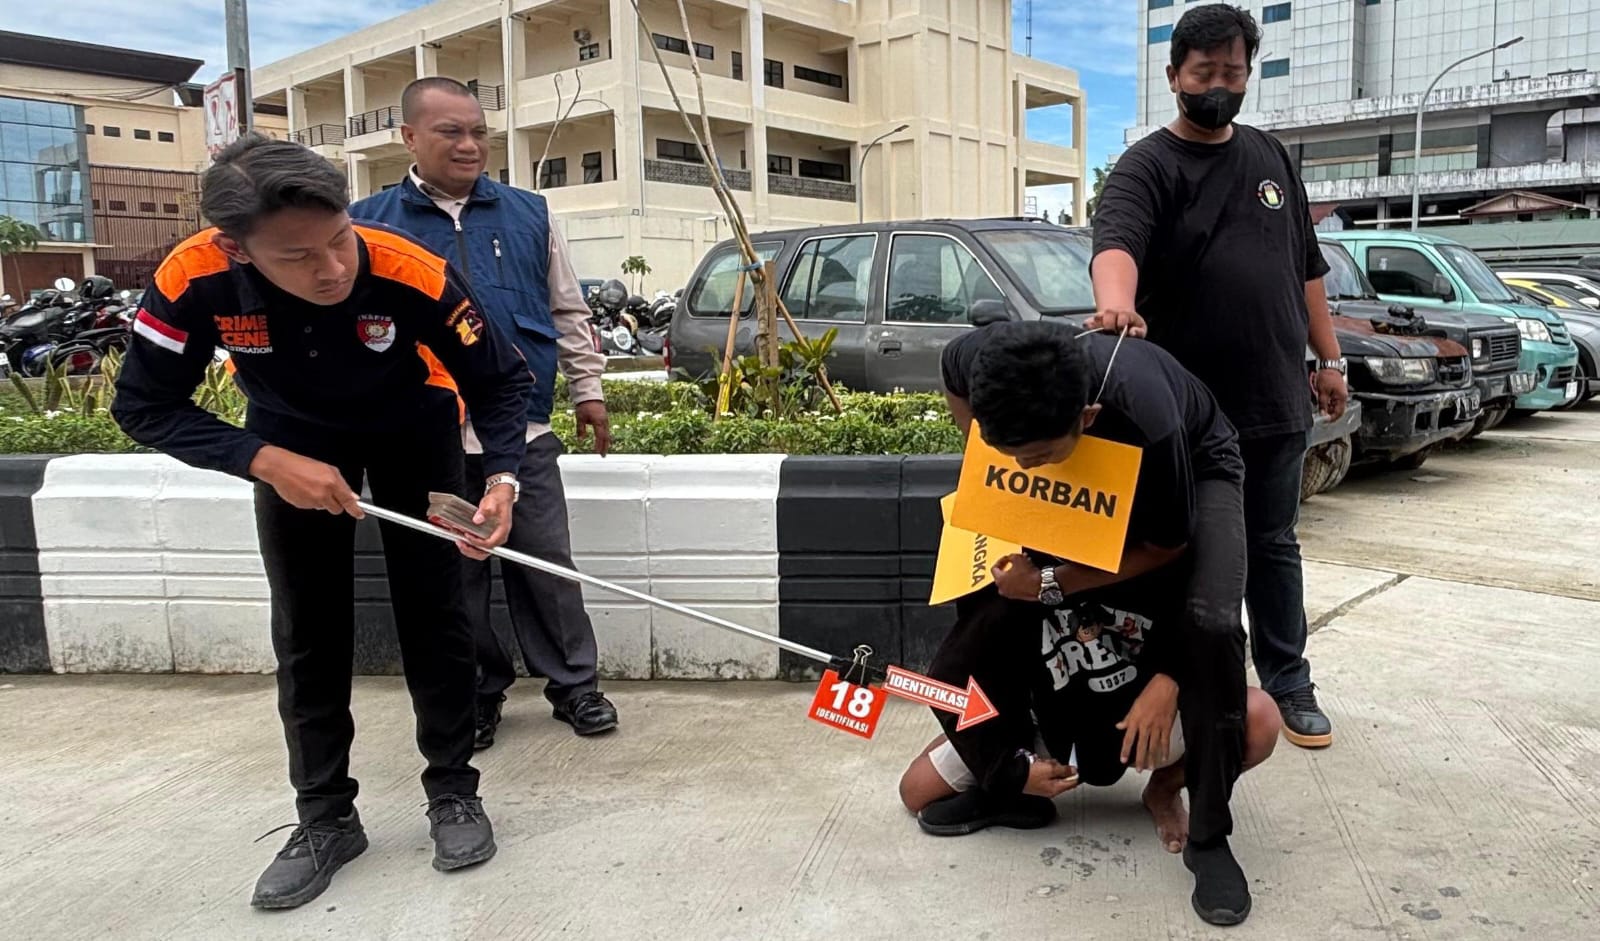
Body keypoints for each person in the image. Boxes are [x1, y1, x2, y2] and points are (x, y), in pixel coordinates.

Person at [110, 135, 534, 909]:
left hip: (414, 427)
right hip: (288, 437)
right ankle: (326, 816)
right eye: (298, 256)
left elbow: (501, 381)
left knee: (436, 612)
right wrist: (264, 459)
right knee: (307, 627)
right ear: (237, 249)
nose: (333, 267)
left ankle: (453, 789)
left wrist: (502, 478)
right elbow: (143, 404)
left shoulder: (407, 268)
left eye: (339, 237)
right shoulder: (192, 278)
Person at [914, 320, 1262, 926]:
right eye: (1011, 453)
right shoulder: (981, 359)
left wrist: (1051, 584)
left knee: (1211, 625)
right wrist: (992, 467)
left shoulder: (1151, 418)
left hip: (1197, 462)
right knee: (990, 600)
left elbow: (1167, 547)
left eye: (1038, 459)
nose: (1026, 469)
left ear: (1089, 416)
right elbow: (954, 375)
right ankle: (1012, 779)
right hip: (1069, 444)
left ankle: (1209, 838)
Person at [1088, 3, 1349, 750]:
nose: (1219, 86)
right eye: (1204, 72)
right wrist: (1116, 305)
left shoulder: (1270, 157)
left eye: (1233, 73)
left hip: (1275, 399)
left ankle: (1288, 680)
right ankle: (1197, 680)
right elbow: (1116, 244)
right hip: (1190, 421)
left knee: (1273, 545)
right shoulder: (1148, 166)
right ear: (1174, 76)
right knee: (1193, 553)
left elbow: (1306, 268)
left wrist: (1329, 358)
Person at [350, 76, 619, 746]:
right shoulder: (367, 222)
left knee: (545, 562)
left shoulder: (530, 213)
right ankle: (475, 693)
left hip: (521, 425)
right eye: (451, 132)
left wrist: (587, 388)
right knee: (454, 575)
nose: (469, 145)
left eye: (478, 133)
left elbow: (567, 309)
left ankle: (575, 686)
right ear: (409, 137)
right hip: (425, 433)